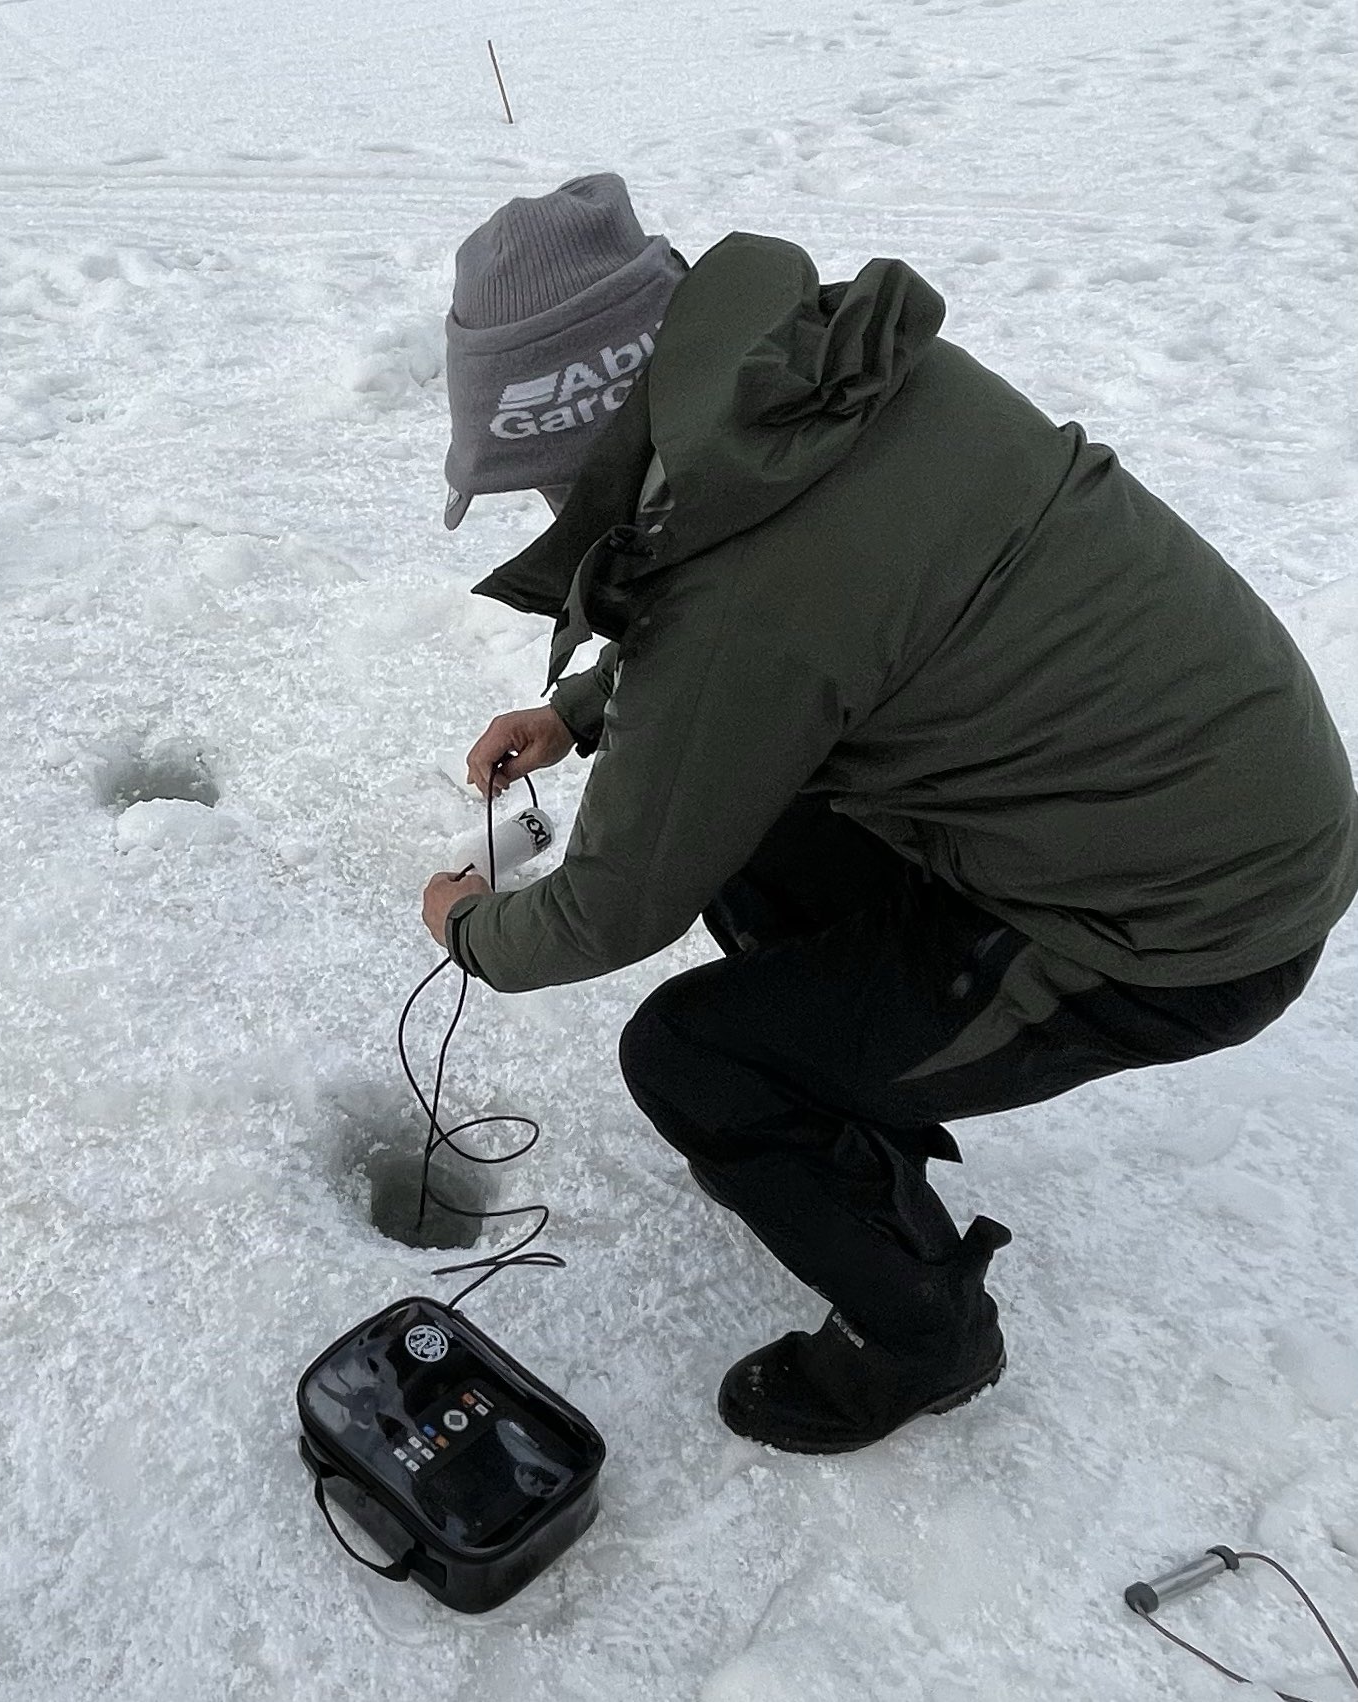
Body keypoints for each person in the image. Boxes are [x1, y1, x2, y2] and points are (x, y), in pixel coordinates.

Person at [420, 175, 1358, 1454]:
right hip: (1214, 791)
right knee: (744, 819)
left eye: (544, 479)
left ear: (588, 424)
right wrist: (588, 707)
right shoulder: (818, 381)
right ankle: (834, 1108)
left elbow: (611, 905)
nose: (552, 516)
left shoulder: (745, 591)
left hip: (1184, 921)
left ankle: (922, 1333)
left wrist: (472, 930)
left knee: (694, 1056)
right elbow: (808, 613)